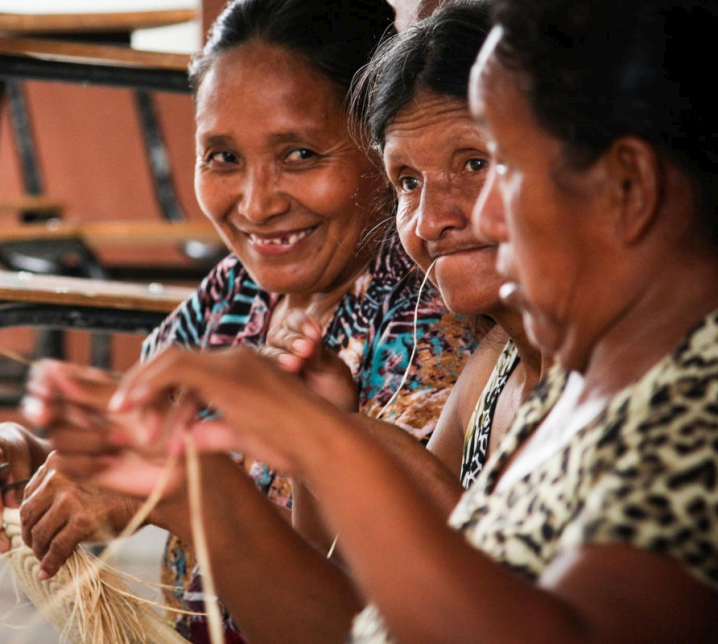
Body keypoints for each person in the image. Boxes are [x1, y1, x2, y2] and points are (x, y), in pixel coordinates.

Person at [92, 0, 718, 640]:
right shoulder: (559, 381)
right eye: (407, 183)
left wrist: (322, 445)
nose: (447, 219)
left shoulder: (698, 400)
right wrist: (212, 483)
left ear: (628, 185)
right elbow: (350, 629)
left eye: (497, 165)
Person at [0, 0, 474, 640]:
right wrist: (23, 456)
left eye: (299, 154)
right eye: (222, 158)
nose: (257, 203)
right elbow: (135, 447)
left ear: (381, 151)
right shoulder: (236, 293)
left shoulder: (428, 323)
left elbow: (370, 620)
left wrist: (182, 496)